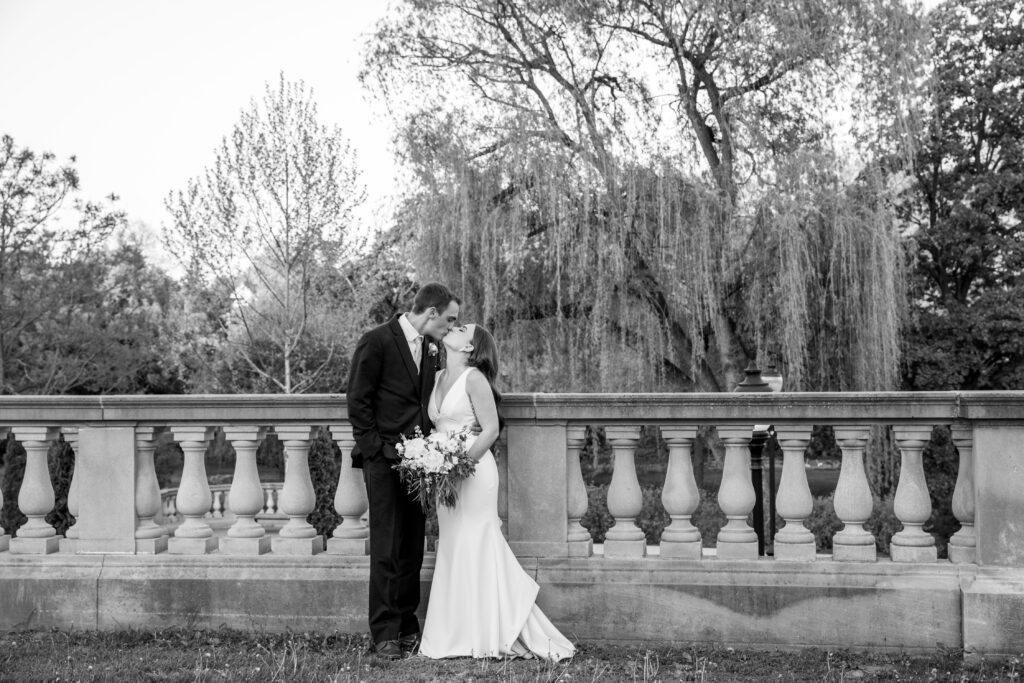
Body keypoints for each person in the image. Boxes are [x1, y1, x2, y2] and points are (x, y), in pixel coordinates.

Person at [418, 323, 576, 662]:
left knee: (477, 541)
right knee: (453, 545)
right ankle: (454, 632)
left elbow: (490, 429)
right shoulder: (436, 375)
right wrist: (434, 464)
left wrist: (458, 466)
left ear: (469, 348)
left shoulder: (474, 378)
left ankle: (491, 629)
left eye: (461, 328)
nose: (452, 327)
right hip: (443, 471)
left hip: (472, 473)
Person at [346, 282, 460, 660]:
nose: (450, 327)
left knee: (412, 546)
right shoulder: (376, 341)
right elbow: (358, 400)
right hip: (383, 462)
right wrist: (376, 451)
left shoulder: (432, 349)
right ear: (431, 312)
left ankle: (408, 627)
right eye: (449, 319)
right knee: (386, 547)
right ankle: (384, 633)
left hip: (420, 464)